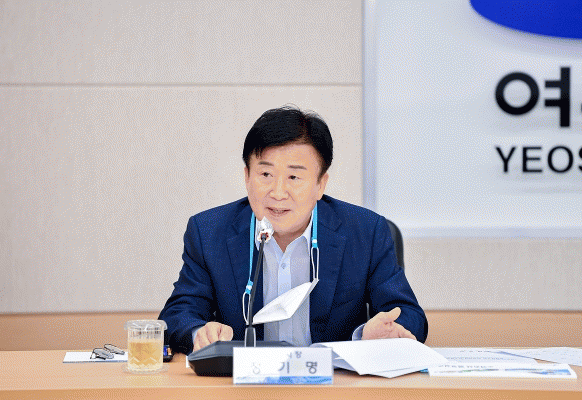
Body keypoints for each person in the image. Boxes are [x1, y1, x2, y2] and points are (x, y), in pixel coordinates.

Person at [159, 106, 428, 355]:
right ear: (247, 177)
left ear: (321, 184)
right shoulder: (209, 232)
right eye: (266, 175)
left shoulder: (365, 232)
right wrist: (199, 332)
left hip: (336, 383)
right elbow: (177, 314)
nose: (278, 193)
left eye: (294, 177)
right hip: (244, 383)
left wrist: (376, 334)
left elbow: (409, 315)